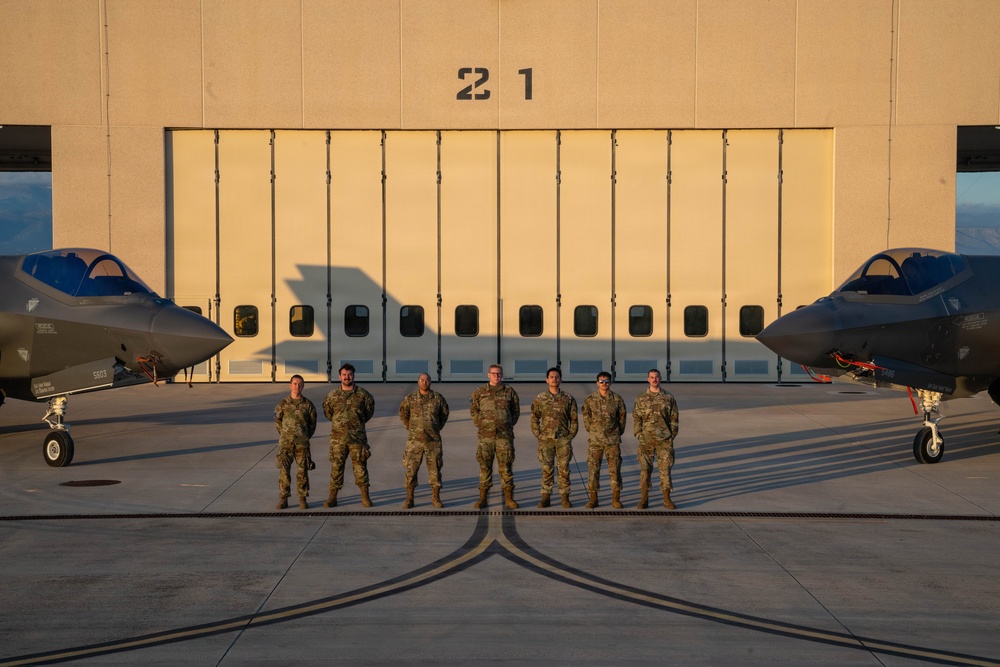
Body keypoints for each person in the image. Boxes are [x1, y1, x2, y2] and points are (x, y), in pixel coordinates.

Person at [322, 363, 375, 508]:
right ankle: (332, 497)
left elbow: (368, 413)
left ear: (354, 376)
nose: (347, 377)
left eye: (349, 374)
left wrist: (356, 425)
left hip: (357, 439)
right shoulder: (332, 396)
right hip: (338, 439)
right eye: (344, 375)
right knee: (336, 468)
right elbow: (328, 413)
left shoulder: (363, 395)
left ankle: (365, 496)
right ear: (339, 376)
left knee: (360, 468)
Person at [469, 364, 520, 509]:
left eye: (499, 373)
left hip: (504, 436)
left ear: (502, 375)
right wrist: (481, 423)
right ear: (488, 375)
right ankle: (482, 498)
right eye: (493, 373)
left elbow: (515, 411)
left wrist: (507, 424)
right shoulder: (479, 392)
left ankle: (509, 498)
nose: (496, 376)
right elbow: (473, 410)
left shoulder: (509, 391)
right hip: (486, 436)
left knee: (506, 467)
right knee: (485, 467)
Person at [398, 372, 450, 508]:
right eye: (422, 380)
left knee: (435, 470)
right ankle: (409, 498)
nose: (424, 382)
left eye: (427, 380)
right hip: (414, 442)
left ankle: (436, 498)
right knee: (411, 470)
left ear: (430, 382)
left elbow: (444, 414)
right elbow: (403, 413)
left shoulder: (438, 398)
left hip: (433, 441)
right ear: (418, 382)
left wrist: (436, 428)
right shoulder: (410, 398)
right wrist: (411, 428)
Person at [530, 367, 578, 508]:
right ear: (547, 380)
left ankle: (565, 497)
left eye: (557, 377)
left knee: (564, 469)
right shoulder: (540, 398)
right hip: (546, 439)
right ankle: (546, 496)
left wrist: (570, 435)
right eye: (551, 377)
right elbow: (534, 419)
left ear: (561, 380)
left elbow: (574, 419)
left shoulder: (568, 398)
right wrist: (538, 434)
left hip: (563, 439)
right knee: (547, 468)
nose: (554, 379)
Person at [632, 368, 679, 509]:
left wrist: (671, 436)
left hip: (664, 440)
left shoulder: (668, 398)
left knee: (665, 470)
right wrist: (639, 434)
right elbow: (636, 418)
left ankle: (667, 498)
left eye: (657, 377)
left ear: (660, 378)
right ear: (648, 379)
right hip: (646, 440)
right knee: (645, 470)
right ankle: (644, 498)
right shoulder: (641, 398)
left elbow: (674, 419)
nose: (654, 379)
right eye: (652, 377)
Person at [581, 371, 627, 509]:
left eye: (606, 381)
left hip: (612, 440)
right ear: (597, 383)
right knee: (593, 469)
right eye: (601, 381)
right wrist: (595, 431)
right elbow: (586, 418)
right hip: (595, 440)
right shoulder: (590, 399)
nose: (604, 384)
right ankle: (593, 498)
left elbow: (622, 419)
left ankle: (616, 498)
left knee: (615, 469)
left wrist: (616, 432)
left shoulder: (617, 399)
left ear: (610, 383)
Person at [274, 374, 317, 510]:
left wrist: (303, 436)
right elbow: (278, 422)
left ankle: (302, 498)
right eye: (295, 384)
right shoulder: (283, 404)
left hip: (302, 444)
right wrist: (285, 435)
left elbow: (312, 424)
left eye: (300, 384)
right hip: (285, 444)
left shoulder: (308, 405)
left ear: (303, 386)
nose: (297, 386)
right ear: (290, 385)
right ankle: (284, 498)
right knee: (284, 472)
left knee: (302, 471)